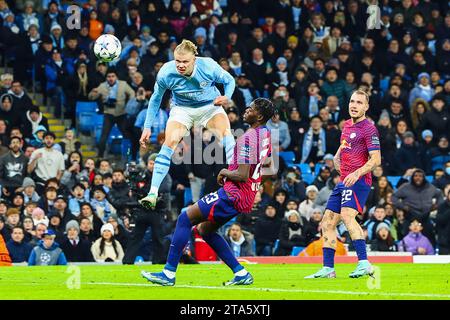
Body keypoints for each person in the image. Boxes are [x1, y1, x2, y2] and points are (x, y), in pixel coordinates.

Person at [141, 98, 274, 286]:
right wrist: (255, 183)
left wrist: (224, 172)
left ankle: (168, 273)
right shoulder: (265, 134)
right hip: (246, 195)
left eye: (251, 108)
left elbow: (242, 174)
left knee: (185, 218)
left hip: (233, 193)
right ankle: (241, 273)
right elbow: (268, 165)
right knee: (205, 229)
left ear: (259, 115)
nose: (246, 109)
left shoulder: (249, 137)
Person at [139, 40, 236, 209]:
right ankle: (152, 193)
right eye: (178, 61)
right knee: (169, 143)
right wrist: (147, 126)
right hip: (182, 109)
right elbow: (155, 99)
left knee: (227, 135)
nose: (181, 65)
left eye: (185, 62)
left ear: (194, 59)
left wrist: (226, 96)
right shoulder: (166, 73)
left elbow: (229, 80)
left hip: (209, 107)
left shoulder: (208, 66)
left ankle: (235, 184)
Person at [306, 89, 381, 279]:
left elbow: (376, 160)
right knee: (327, 222)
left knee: (348, 216)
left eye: (359, 103)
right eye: (352, 102)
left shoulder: (369, 128)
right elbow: (346, 149)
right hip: (343, 181)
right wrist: (338, 157)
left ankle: (364, 263)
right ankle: (328, 268)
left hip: (359, 181)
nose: (354, 105)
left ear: (366, 107)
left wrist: (356, 173)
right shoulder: (347, 126)